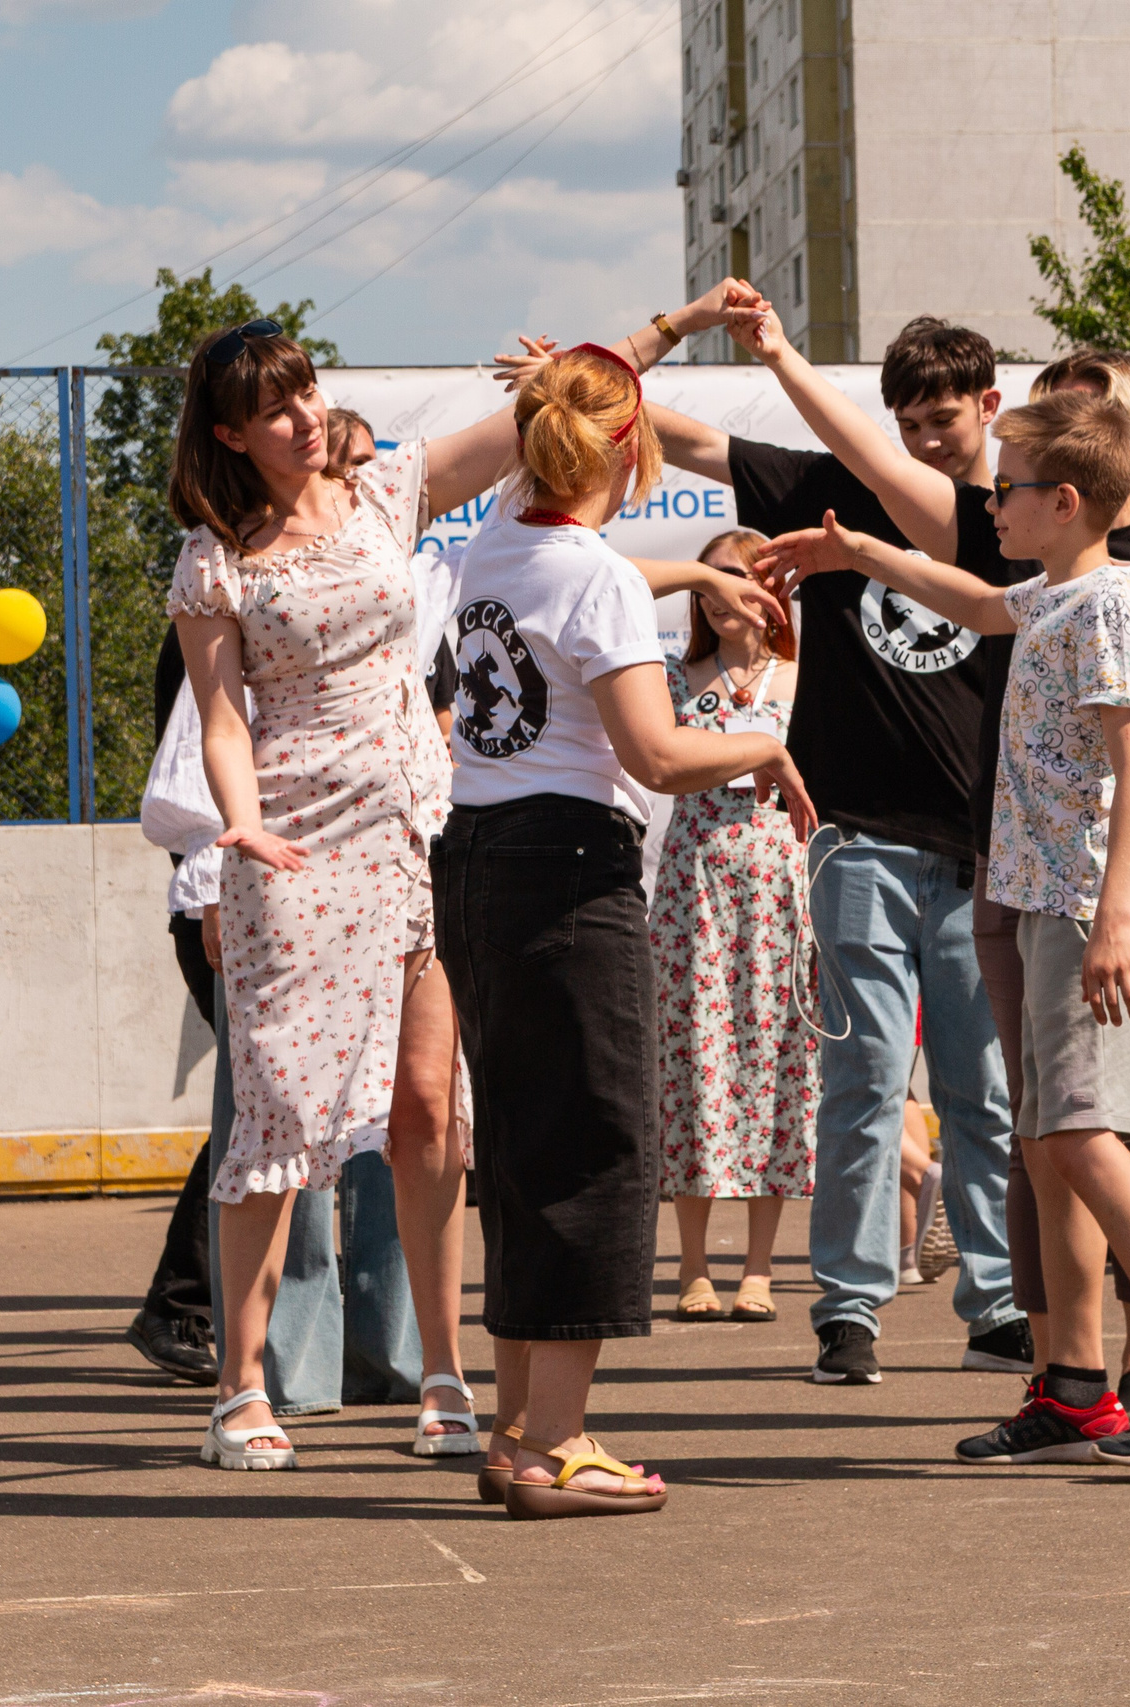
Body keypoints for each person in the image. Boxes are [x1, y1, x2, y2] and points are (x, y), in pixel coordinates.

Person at [170, 290, 780, 1472]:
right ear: (231, 435)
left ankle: (444, 1373)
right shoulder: (217, 561)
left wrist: (676, 326)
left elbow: (548, 418)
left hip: (421, 835)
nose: (301, 418)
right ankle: (241, 1386)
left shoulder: (385, 493)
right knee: (282, 1115)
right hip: (294, 845)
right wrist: (237, 827)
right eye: (271, 409)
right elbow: (222, 721)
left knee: (431, 1109)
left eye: (304, 392)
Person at [738, 330, 1130, 1418]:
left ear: (1068, 502)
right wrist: (862, 555)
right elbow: (974, 602)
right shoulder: (1048, 595)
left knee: (1084, 1133)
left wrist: (1115, 916)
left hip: (1094, 907)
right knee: (1040, 1135)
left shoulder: (1113, 605)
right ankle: (1073, 1387)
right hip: (1040, 900)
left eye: (1013, 489)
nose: (990, 502)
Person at [439, 342, 816, 1520]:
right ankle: (558, 1444)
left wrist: (697, 583)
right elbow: (657, 754)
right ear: (632, 450)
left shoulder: (498, 535)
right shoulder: (594, 577)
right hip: (569, 871)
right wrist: (762, 742)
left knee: (516, 1153)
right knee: (598, 1148)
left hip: (478, 861)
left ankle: (513, 1433)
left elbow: (584, 571)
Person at [645, 317, 1034, 1386]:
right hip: (852, 839)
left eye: (945, 420)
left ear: (989, 407)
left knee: (980, 1092)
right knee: (859, 1080)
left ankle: (995, 1303)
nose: (925, 441)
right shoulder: (825, 489)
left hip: (975, 849)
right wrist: (592, 376)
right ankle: (849, 1309)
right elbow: (683, 442)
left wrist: (779, 356)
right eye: (905, 424)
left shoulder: (1013, 518)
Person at [654, 526, 818, 1324]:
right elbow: (664, 760)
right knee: (694, 1068)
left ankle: (760, 1265)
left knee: (777, 1062)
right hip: (695, 892)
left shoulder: (802, 678)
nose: (721, 596)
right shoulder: (671, 677)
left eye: (739, 579)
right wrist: (750, 753)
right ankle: (691, 1261)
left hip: (782, 891)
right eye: (709, 582)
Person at [125, 623, 222, 1385]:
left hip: (231, 899)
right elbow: (198, 769)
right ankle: (179, 1301)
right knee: (259, 1106)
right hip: (219, 902)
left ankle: (189, 1300)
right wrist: (217, 887)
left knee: (269, 1107)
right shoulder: (211, 611)